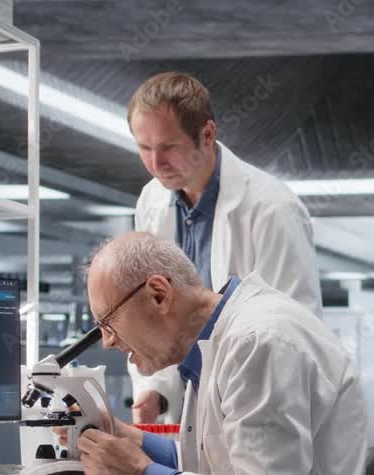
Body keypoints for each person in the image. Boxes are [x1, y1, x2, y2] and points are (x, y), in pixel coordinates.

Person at [71, 232, 366, 475]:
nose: (108, 342)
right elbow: (217, 463)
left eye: (108, 322)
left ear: (158, 295)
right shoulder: (219, 342)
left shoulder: (259, 342)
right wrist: (127, 438)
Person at [126, 71, 322, 424]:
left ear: (207, 134)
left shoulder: (271, 209)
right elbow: (157, 313)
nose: (156, 164)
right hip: (191, 410)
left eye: (169, 147)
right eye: (144, 148)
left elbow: (294, 332)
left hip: (260, 406)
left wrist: (249, 407)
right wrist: (155, 389)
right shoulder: (151, 202)